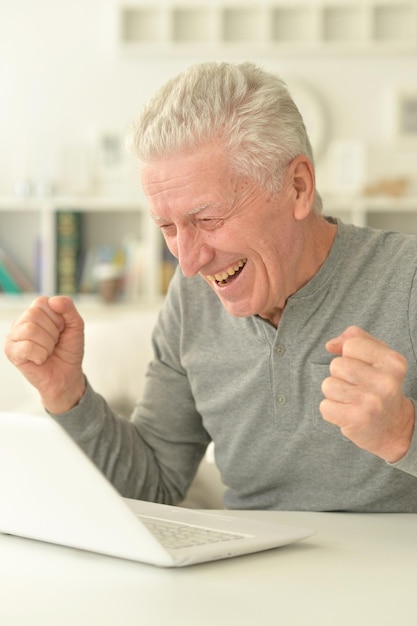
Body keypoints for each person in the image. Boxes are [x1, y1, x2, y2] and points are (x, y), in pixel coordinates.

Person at [4, 61, 417, 512]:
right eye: (167, 226)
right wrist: (66, 394)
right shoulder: (191, 304)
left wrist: (402, 433)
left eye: (208, 220)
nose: (187, 262)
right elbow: (155, 485)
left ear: (297, 187)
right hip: (250, 576)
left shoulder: (408, 276)